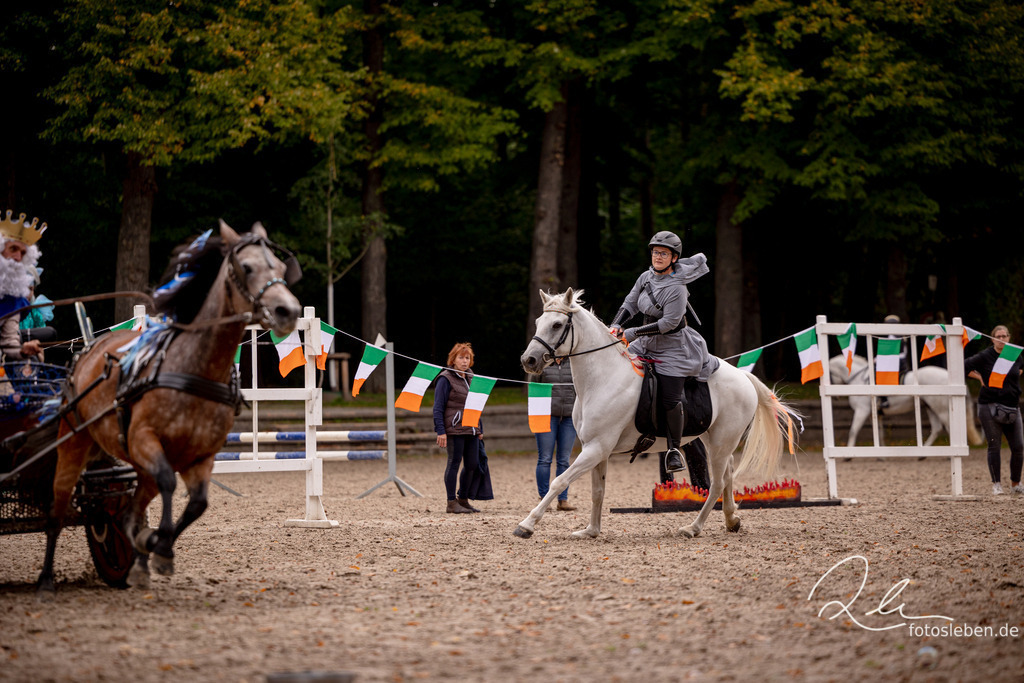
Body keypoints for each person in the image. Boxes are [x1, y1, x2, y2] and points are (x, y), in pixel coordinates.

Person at [609, 230, 718, 475]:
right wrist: (617, 324)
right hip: (646, 343)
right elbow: (630, 303)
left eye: (664, 253)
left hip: (673, 347)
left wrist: (633, 332)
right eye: (655, 252)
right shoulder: (645, 277)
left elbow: (669, 323)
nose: (658, 257)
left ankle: (673, 450)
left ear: (674, 258)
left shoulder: (678, 289)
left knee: (670, 398)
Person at [965, 325, 1023, 495]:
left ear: (1009, 337)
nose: (1001, 339)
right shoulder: (985, 356)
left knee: (1019, 447)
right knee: (994, 445)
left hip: (1012, 405)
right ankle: (996, 484)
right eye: (998, 336)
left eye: (1004, 336)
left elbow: (1020, 368)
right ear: (992, 339)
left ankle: (1015, 484)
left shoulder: (1015, 354)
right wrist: (980, 377)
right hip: (989, 405)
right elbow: (965, 365)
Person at [433, 342, 485, 514]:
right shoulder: (445, 378)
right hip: (454, 429)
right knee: (454, 463)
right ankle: (451, 502)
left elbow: (476, 404)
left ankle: (463, 498)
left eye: (467, 357)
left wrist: (479, 428)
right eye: (461, 357)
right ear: (453, 359)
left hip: (471, 428)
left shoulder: (471, 377)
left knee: (472, 464)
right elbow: (438, 407)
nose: (464, 361)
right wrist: (440, 431)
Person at [532, 357, 577, 511]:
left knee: (564, 460)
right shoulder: (542, 364)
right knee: (544, 459)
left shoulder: (573, 363)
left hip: (569, 417)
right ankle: (544, 498)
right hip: (546, 416)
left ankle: (562, 499)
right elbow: (534, 390)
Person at [0, 212, 46, 363]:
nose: (18, 258)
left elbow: (9, 344)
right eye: (13, 249)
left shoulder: (13, 302)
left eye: (23, 253)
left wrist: (23, 350)